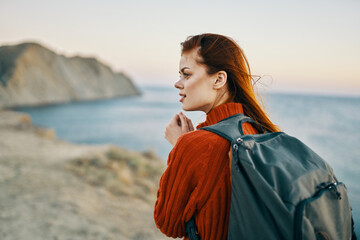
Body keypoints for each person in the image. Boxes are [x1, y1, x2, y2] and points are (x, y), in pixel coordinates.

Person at [153, 33, 279, 240]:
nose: (178, 83)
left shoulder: (195, 145)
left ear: (219, 79)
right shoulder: (259, 131)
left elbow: (168, 224)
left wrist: (180, 145)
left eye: (186, 74)